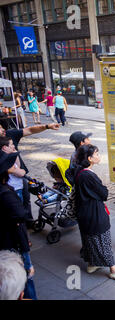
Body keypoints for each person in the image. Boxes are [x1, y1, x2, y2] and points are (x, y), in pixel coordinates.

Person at [74, 144, 115, 281]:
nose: (99, 156)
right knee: (102, 241)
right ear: (89, 158)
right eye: (97, 154)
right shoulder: (88, 176)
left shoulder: (79, 171)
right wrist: (102, 188)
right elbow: (104, 193)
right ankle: (113, 270)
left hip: (85, 213)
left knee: (90, 240)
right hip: (94, 213)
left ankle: (93, 263)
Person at [0, 122, 60, 225]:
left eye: (1, 127)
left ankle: (28, 222)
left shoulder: (9, 135)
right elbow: (12, 170)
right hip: (7, 184)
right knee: (15, 208)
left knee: (26, 199)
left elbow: (30, 130)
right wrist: (17, 170)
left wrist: (47, 126)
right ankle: (20, 229)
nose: (2, 129)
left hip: (21, 178)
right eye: (0, 128)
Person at [0, 151, 37, 299]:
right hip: (13, 240)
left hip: (7, 238)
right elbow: (20, 218)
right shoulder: (6, 193)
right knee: (24, 277)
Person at [0, 136, 26, 201]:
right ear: (5, 147)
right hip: (14, 189)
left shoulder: (9, 158)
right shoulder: (6, 161)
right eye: (11, 144)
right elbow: (21, 173)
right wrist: (23, 171)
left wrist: (15, 154)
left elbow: (18, 165)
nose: (14, 146)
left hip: (16, 188)